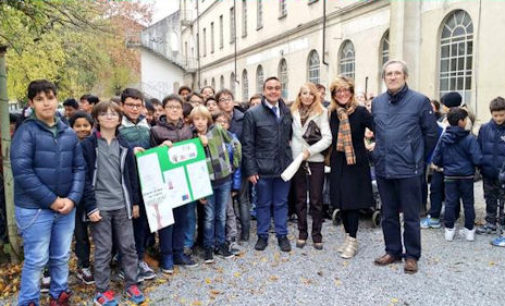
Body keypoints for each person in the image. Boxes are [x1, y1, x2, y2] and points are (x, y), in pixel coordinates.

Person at [11, 80, 86, 306]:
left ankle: (59, 295)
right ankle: (29, 301)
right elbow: (22, 172)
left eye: (50, 98)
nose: (46, 103)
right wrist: (52, 201)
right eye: (40, 99)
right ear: (32, 103)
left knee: (62, 256)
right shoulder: (26, 132)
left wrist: (72, 199)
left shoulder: (68, 133)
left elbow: (79, 168)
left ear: (57, 100)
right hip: (34, 209)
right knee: (36, 259)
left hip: (65, 207)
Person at [372, 60, 438, 274]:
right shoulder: (378, 103)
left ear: (405, 76)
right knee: (388, 213)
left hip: (409, 168)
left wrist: (416, 157)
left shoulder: (419, 101)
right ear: (384, 78)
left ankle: (411, 255)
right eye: (389, 74)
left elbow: (431, 134)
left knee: (410, 216)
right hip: (384, 167)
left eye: (397, 73)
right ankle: (392, 250)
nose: (393, 77)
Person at [80, 101, 145, 306]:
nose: (109, 117)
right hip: (100, 206)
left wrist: (134, 202)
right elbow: (84, 178)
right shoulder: (88, 145)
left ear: (119, 119)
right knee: (103, 249)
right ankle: (102, 290)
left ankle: (132, 284)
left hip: (122, 203)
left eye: (113, 114)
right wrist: (90, 207)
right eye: (104, 113)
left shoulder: (124, 144)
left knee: (128, 246)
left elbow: (131, 175)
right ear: (97, 118)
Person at [243, 76, 293, 252]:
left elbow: (291, 138)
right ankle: (262, 236)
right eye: (270, 88)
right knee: (263, 204)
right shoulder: (253, 114)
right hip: (262, 168)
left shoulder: (287, 112)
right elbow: (247, 144)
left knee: (281, 202)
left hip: (283, 167)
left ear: (281, 90)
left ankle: (282, 235)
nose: (273, 91)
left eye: (277, 88)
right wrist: (251, 169)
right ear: (264, 91)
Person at [150, 94, 198, 273]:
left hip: (183, 182)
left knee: (182, 218)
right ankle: (166, 256)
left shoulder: (188, 129)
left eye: (177, 107)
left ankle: (178, 252)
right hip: (164, 183)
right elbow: (150, 156)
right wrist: (159, 149)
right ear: (164, 109)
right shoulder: (155, 130)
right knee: (166, 221)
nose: (174, 110)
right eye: (170, 107)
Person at [328, 76, 374, 259]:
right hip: (338, 161)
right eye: (339, 91)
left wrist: (375, 145)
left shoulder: (361, 112)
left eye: (346, 90)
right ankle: (347, 237)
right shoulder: (332, 113)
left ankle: (353, 240)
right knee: (341, 201)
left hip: (355, 162)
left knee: (352, 202)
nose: (343, 94)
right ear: (334, 94)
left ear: (352, 92)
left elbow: (378, 128)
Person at [190, 106, 240, 263]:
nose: (200, 122)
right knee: (209, 216)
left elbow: (234, 143)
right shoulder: (191, 138)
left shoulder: (217, 130)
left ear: (208, 119)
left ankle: (221, 244)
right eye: (196, 119)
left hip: (224, 179)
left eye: (203, 119)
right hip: (206, 183)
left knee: (221, 215)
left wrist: (234, 164)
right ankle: (208, 246)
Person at [117, 88, 157, 281]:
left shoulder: (149, 126)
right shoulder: (116, 127)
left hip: (146, 182)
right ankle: (125, 262)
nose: (134, 108)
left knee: (142, 223)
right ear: (122, 106)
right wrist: (131, 151)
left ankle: (140, 258)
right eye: (130, 105)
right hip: (124, 184)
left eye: (138, 105)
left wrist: (162, 148)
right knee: (125, 225)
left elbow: (154, 151)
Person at [290, 83, 331, 250]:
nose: (307, 96)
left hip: (315, 160)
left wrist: (310, 151)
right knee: (299, 198)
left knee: (316, 199)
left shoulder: (322, 112)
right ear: (299, 96)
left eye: (310, 94)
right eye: (303, 93)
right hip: (297, 160)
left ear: (315, 96)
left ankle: (316, 234)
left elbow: (327, 138)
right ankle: (302, 232)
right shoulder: (291, 112)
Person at [431, 108, 482, 241]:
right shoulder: (470, 139)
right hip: (467, 176)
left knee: (450, 202)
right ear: (461, 122)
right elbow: (477, 159)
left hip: (449, 175)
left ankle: (449, 230)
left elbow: (436, 158)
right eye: (466, 119)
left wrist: (443, 165)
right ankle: (469, 231)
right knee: (468, 203)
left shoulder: (444, 138)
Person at [216, 89, 250, 241]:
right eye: (222, 99)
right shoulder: (215, 119)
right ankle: (227, 233)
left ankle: (246, 232)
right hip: (221, 168)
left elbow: (248, 142)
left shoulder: (243, 117)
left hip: (240, 165)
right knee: (225, 202)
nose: (226, 102)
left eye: (228, 98)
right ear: (218, 103)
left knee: (242, 199)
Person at [68, 111, 95, 285]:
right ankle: (83, 264)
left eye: (86, 125)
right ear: (71, 128)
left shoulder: (95, 145)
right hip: (74, 197)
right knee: (81, 234)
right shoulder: (68, 145)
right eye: (78, 126)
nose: (82, 129)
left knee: (100, 232)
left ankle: (104, 261)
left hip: (93, 196)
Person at [214, 111, 243, 254]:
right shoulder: (210, 139)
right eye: (218, 122)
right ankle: (216, 241)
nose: (221, 125)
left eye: (224, 122)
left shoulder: (234, 141)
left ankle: (231, 239)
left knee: (229, 211)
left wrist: (235, 186)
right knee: (214, 213)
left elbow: (237, 166)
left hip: (228, 181)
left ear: (228, 125)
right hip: (213, 182)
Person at [477, 97, 505, 237]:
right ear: (491, 114)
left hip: (503, 173)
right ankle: (490, 222)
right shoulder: (485, 128)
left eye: (502, 115)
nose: (499, 118)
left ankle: (503, 223)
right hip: (488, 171)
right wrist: (480, 165)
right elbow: (478, 148)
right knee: (490, 197)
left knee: (503, 198)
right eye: (496, 115)